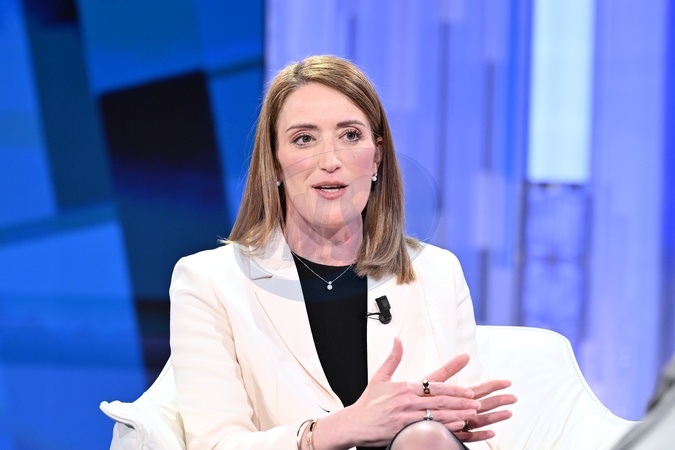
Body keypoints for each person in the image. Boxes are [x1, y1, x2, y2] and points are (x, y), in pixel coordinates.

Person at [169, 54, 517, 450]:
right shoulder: (209, 282)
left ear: (377, 156)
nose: (330, 161)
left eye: (350, 135)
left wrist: (452, 434)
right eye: (304, 139)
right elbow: (216, 444)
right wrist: (334, 430)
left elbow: (476, 434)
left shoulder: (438, 273)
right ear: (275, 163)